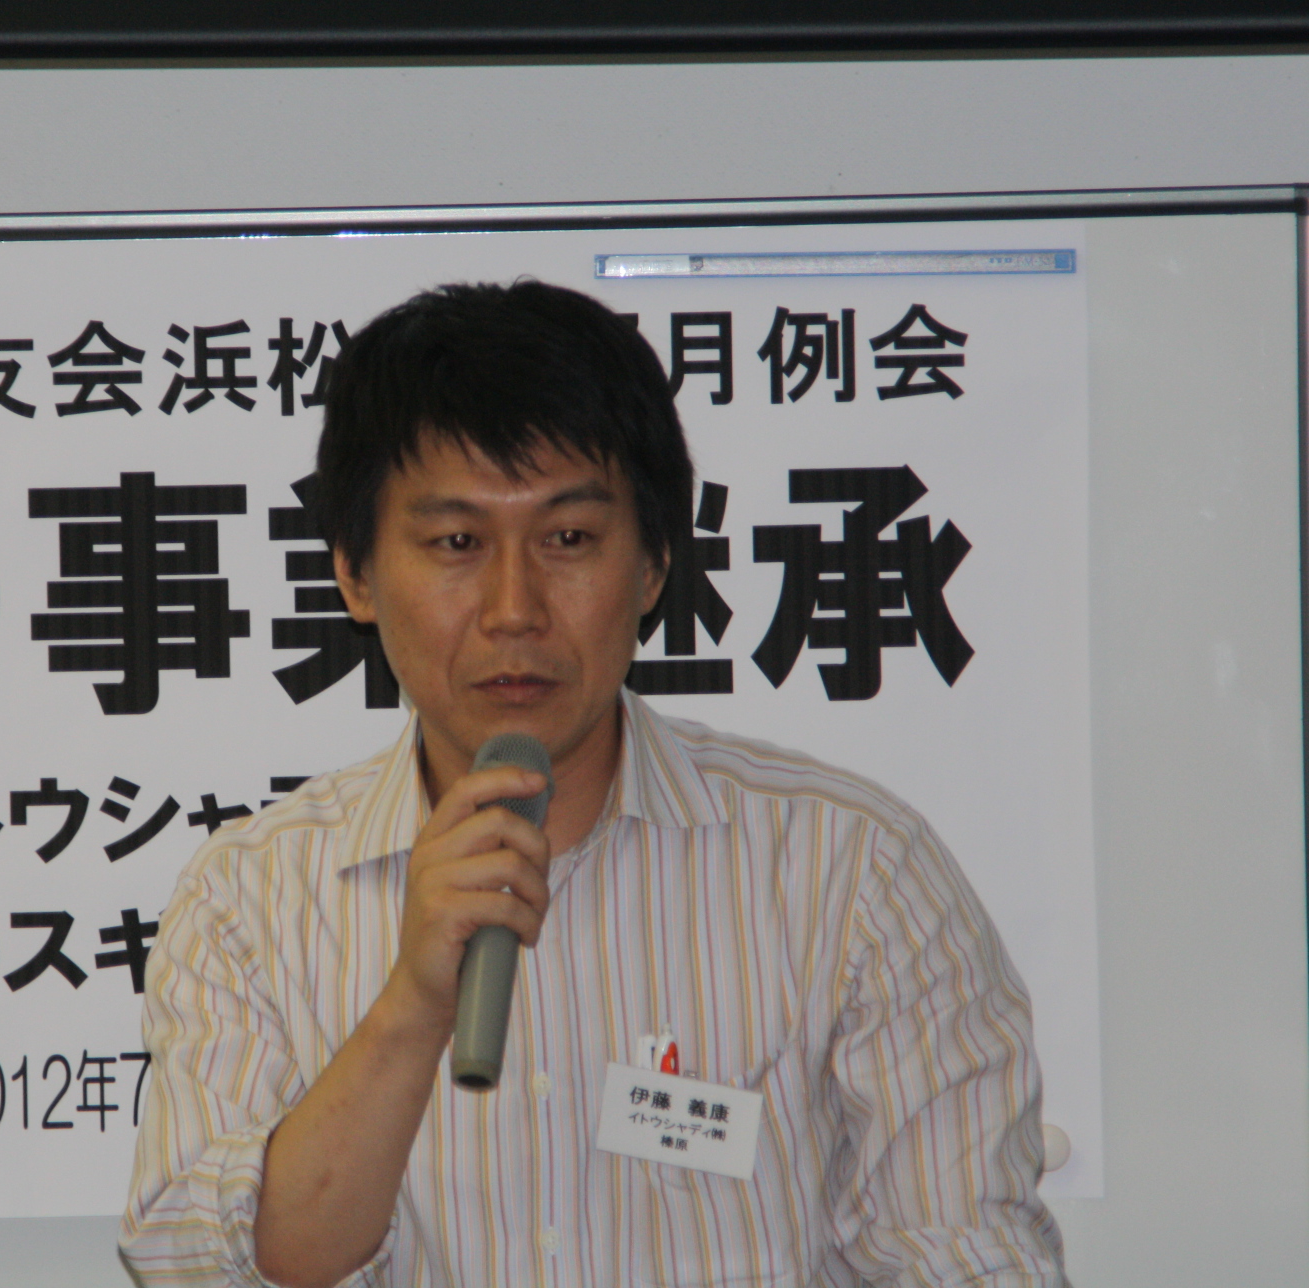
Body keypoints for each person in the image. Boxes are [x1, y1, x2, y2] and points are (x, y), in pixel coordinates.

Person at [119, 281, 1066, 1287]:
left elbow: (972, 1262)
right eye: (456, 543)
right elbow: (197, 1269)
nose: (514, 608)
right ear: (355, 572)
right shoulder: (250, 899)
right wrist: (413, 1002)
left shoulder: (852, 871)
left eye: (568, 538)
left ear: (654, 563)